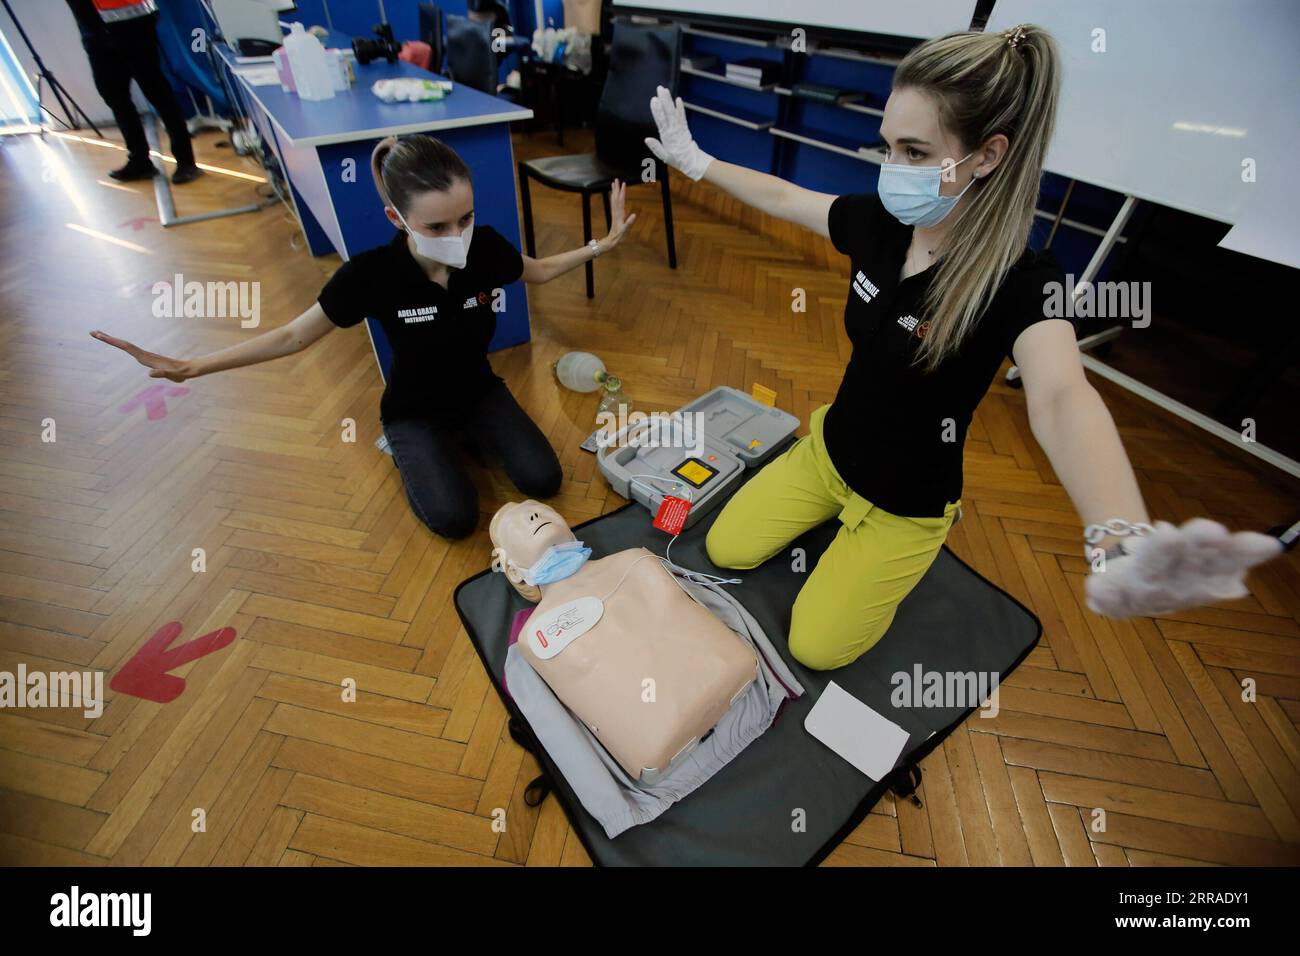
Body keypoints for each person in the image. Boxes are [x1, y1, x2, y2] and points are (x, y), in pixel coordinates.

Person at [645, 25, 1280, 671]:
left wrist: (1118, 531)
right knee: (724, 548)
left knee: (815, 646)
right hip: (829, 454)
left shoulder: (1025, 281)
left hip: (905, 504)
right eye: (889, 146)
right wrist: (698, 162)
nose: (893, 168)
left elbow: (1062, 395)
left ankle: (900, 551)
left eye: (916, 152)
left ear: (987, 155)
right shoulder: (882, 223)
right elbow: (786, 197)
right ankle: (831, 515)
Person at [92, 133, 637, 539]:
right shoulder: (371, 275)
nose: (458, 236)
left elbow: (536, 271)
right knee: (455, 520)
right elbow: (290, 337)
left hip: (479, 391)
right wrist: (193, 367)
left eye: (465, 219)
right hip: (414, 410)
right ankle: (411, 449)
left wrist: (602, 245)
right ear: (397, 218)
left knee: (544, 480)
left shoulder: (486, 247)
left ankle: (469, 439)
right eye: (437, 227)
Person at [64, 0, 201, 184]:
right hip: (93, 31)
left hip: (132, 25)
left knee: (158, 93)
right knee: (113, 95)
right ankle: (139, 161)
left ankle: (186, 162)